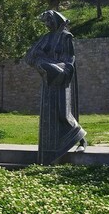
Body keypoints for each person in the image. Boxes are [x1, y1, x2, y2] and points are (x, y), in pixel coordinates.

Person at [25, 10, 87, 164]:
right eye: (45, 22)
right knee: (50, 114)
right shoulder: (46, 38)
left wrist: (61, 69)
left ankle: (81, 139)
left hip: (62, 78)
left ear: (57, 20)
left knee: (62, 113)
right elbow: (31, 55)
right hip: (49, 80)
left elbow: (70, 58)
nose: (47, 24)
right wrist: (42, 60)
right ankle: (51, 149)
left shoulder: (66, 37)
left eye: (49, 21)